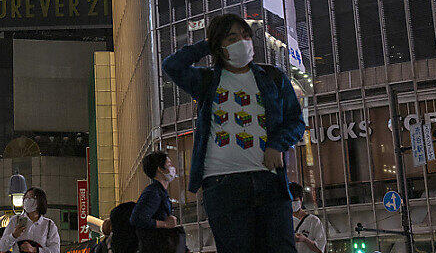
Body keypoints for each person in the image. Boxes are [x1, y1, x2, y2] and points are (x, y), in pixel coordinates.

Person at [162, 13, 305, 253]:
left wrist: (277, 144)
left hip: (269, 180)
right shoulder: (206, 80)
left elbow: (296, 121)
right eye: (232, 37)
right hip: (222, 185)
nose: (242, 41)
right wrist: (207, 44)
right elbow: (171, 65)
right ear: (218, 46)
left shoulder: (273, 77)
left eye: (245, 35)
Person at [129, 151, 184, 252]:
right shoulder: (153, 193)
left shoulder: (159, 192)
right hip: (155, 247)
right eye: (169, 164)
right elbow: (137, 218)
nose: (173, 168)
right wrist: (165, 224)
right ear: (160, 169)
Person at [0, 187, 60, 253]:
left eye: (31, 197)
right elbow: (2, 247)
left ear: (40, 201)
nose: (27, 200)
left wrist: (35, 250)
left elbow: (55, 250)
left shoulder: (49, 225)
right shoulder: (15, 220)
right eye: (25, 197)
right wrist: (14, 235)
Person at [289, 183, 325, 253]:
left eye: (295, 201)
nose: (292, 203)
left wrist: (305, 240)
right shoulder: (284, 221)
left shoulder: (313, 221)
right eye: (290, 201)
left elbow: (320, 248)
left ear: (301, 199)